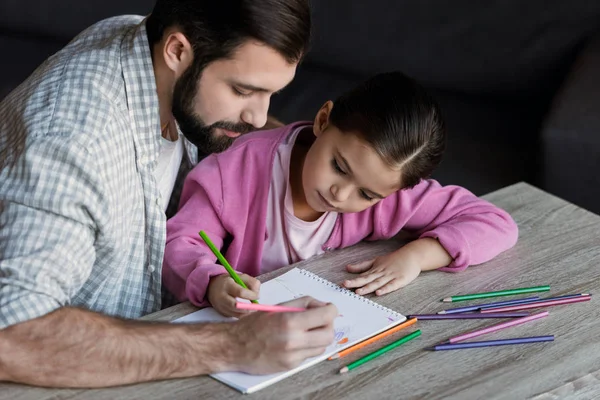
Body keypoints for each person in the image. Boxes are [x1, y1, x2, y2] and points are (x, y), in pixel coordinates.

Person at [0, 0, 338, 388]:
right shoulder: (74, 144)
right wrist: (232, 345)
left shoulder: (142, 40)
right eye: (243, 90)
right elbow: (12, 332)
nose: (258, 118)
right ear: (177, 51)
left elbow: (263, 132)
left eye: (271, 93)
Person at [163, 71, 519, 318]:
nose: (339, 194)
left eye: (365, 194)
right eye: (339, 166)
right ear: (323, 119)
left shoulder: (389, 192)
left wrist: (418, 256)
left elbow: (496, 223)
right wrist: (212, 282)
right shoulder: (234, 170)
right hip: (243, 329)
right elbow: (179, 243)